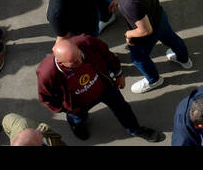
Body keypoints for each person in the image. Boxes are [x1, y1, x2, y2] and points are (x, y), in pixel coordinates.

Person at [36, 34, 165, 141]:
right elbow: (46, 97)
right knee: (78, 118)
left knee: (123, 108)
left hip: (104, 87)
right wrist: (67, 109)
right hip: (78, 103)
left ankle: (135, 129)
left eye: (79, 56)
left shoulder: (86, 42)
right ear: (60, 62)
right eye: (74, 62)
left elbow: (107, 54)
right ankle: (77, 125)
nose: (80, 62)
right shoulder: (47, 73)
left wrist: (119, 73)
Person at [100, 0, 192, 92]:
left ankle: (154, 80)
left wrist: (129, 34)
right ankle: (184, 60)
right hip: (160, 16)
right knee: (172, 38)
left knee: (138, 58)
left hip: (147, 34)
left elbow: (145, 30)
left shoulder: (129, 4)